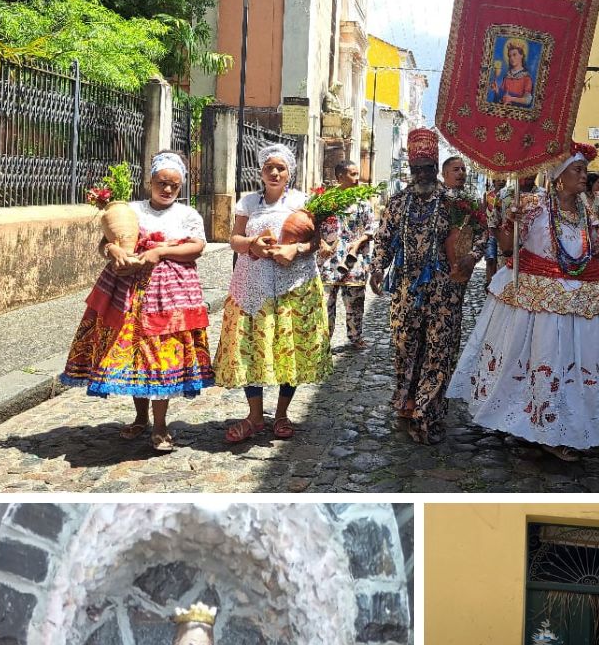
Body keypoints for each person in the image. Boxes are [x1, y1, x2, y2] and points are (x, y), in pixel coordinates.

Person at [448, 143, 599, 463]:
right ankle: (543, 427)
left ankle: (571, 425)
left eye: (583, 170)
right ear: (558, 177)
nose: (583, 176)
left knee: (573, 368)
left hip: (577, 298)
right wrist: (509, 222)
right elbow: (508, 248)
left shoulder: (586, 210)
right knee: (540, 362)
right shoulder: (532, 205)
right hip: (539, 302)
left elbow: (593, 251)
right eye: (577, 170)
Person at [61, 151, 214, 452]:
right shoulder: (130, 210)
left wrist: (161, 252)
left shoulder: (187, 215)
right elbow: (106, 241)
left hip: (171, 298)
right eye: (161, 182)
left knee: (161, 357)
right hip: (129, 295)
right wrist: (113, 252)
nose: (167, 189)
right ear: (150, 182)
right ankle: (141, 417)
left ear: (181, 187)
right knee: (136, 357)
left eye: (174, 185)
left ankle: (160, 425)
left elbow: (197, 247)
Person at [370, 128, 483, 445]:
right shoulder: (398, 203)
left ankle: (426, 413)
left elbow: (481, 237)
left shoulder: (455, 204)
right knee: (407, 352)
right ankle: (407, 404)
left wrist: (472, 257)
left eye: (427, 168)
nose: (421, 174)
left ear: (436, 169)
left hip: (445, 295)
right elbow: (384, 240)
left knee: (438, 353)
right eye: (416, 168)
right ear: (410, 169)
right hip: (407, 293)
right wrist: (377, 268)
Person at [215, 142, 332, 444]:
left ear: (289, 172)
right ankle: (255, 415)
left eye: (281, 168)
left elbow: (318, 242)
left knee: (287, 348)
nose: (275, 172)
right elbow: (234, 239)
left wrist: (296, 248)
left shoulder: (303, 202)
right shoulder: (248, 203)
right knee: (251, 348)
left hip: (294, 286)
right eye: (270, 167)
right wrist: (252, 243)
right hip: (253, 284)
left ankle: (281, 413)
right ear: (261, 172)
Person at [319, 160, 376, 350]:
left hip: (355, 261)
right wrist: (321, 243)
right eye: (352, 174)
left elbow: (371, 228)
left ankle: (355, 336)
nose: (357, 178)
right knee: (326, 302)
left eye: (357, 173)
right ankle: (323, 341)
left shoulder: (363, 203)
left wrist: (358, 243)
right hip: (329, 261)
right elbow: (312, 227)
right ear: (340, 177)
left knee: (355, 302)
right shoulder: (325, 202)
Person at [491, 41, 534, 107]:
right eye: (509, 56)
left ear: (521, 55)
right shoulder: (507, 76)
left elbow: (527, 100)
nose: (511, 58)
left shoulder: (526, 78)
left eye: (514, 54)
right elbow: (503, 96)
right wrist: (497, 90)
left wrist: (512, 99)